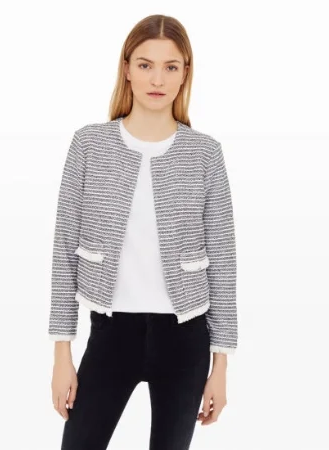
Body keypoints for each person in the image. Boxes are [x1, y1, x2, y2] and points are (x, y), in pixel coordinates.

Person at [48, 14, 238, 450]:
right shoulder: (89, 145)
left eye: (171, 66)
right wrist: (62, 353)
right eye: (145, 64)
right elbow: (63, 249)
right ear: (127, 69)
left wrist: (221, 366)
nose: (157, 79)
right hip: (110, 335)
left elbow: (223, 262)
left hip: (185, 340)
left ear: (185, 73)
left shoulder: (205, 153)